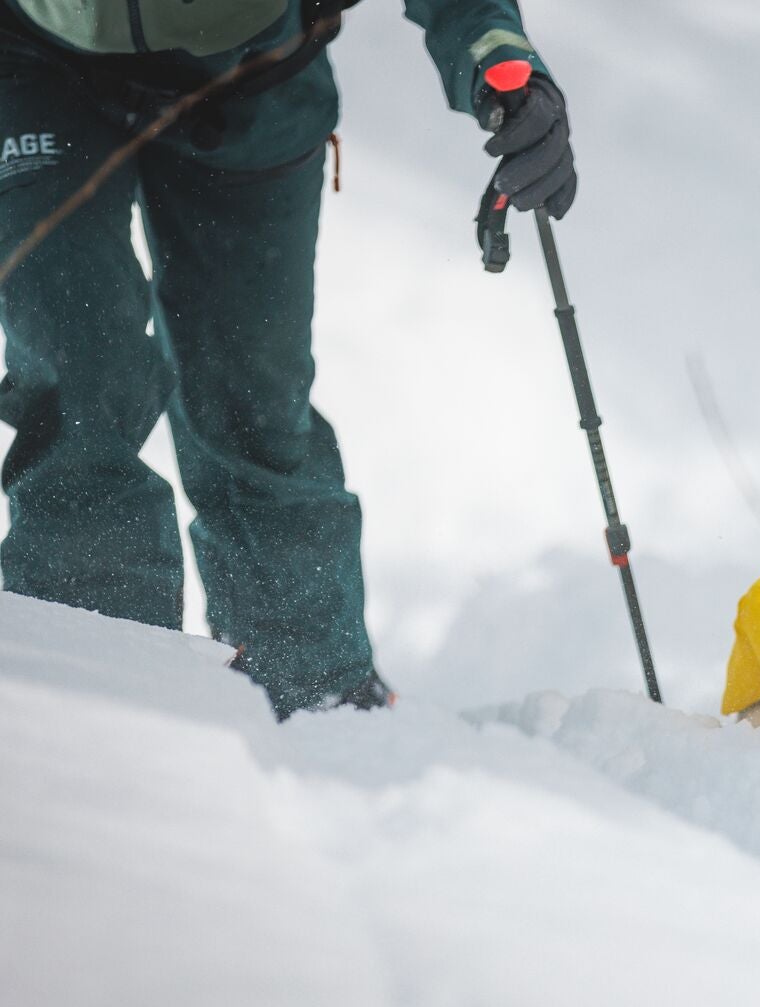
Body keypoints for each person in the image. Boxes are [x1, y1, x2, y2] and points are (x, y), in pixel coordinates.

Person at [0, 0, 574, 717]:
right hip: (36, 56)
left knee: (252, 401)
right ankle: (95, 695)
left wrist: (495, 53)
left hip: (257, 68)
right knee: (77, 375)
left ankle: (316, 699)